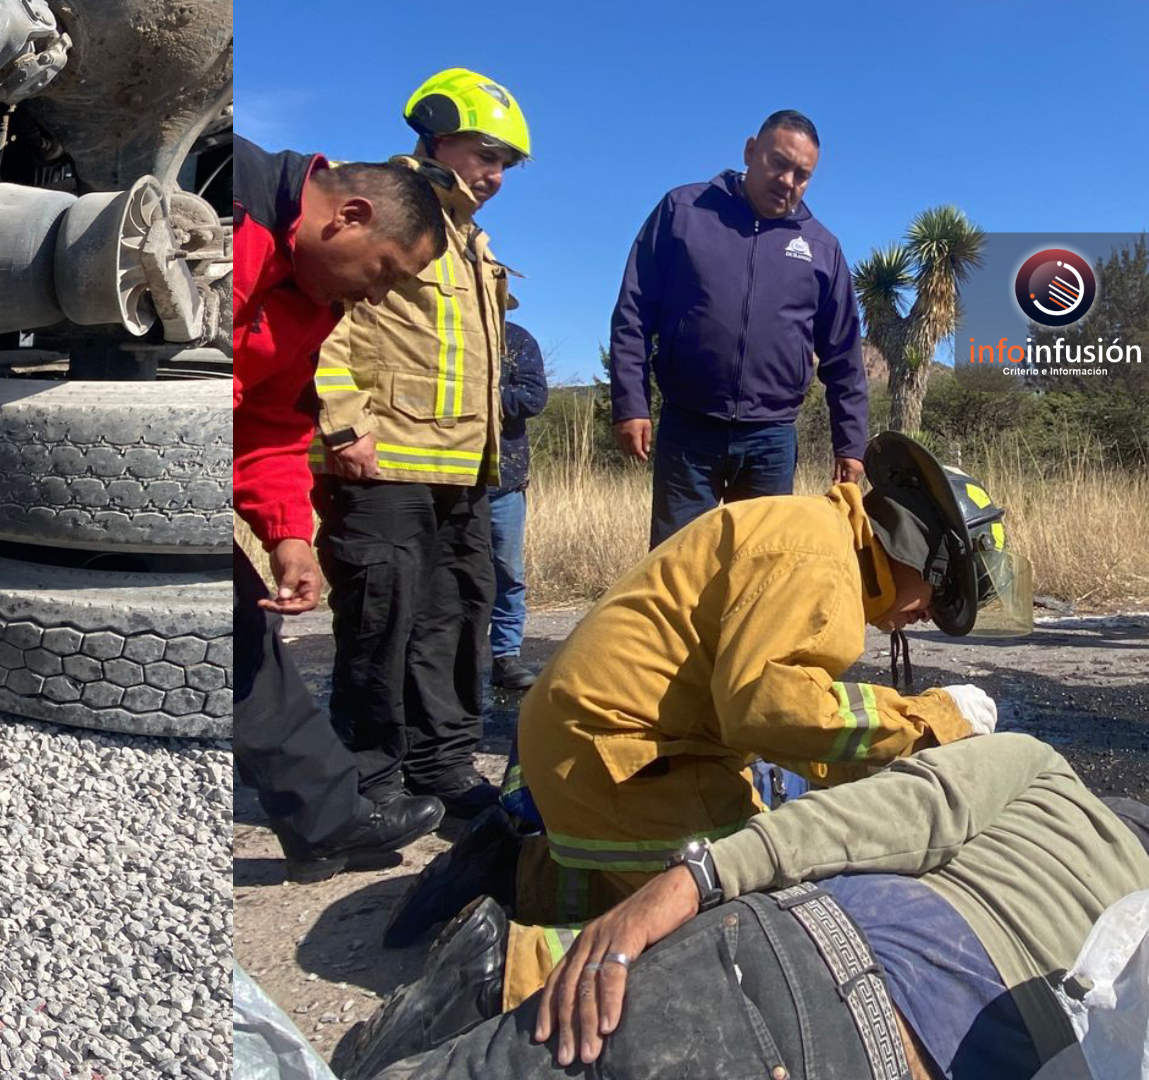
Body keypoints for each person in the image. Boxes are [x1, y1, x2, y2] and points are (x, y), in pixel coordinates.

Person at [382, 431, 1034, 953]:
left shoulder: (816, 536)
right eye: (945, 595)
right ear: (927, 555)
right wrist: (928, 720)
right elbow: (767, 708)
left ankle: (519, 876)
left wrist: (879, 758)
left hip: (591, 752)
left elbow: (789, 720)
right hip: (619, 760)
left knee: (729, 857)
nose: (934, 614)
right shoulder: (819, 560)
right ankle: (497, 978)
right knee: (751, 916)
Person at [338, 732, 1149, 1079]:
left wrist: (693, 879)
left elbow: (897, 811)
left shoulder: (1044, 772)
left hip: (793, 950)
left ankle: (495, 973)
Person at [310, 67, 532, 821]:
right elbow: (325, 317)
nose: (495, 175)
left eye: (506, 164)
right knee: (379, 626)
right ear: (438, 135)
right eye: (485, 155)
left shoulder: (474, 243)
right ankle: (370, 783)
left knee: (457, 619)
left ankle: (442, 764)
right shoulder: (382, 207)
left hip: (464, 472)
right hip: (382, 463)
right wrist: (342, 424)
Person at [232, 135, 450, 882]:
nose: (379, 294)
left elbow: (270, 422)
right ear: (348, 217)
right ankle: (326, 815)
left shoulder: (310, 299)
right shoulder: (229, 214)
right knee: (233, 629)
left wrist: (289, 535)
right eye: (387, 270)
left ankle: (326, 817)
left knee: (242, 633)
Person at [608, 110, 869, 548]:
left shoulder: (822, 248)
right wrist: (630, 403)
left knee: (758, 574)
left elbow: (844, 355)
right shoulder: (684, 211)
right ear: (751, 151)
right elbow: (633, 310)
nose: (788, 181)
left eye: (802, 175)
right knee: (677, 568)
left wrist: (851, 445)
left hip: (771, 437)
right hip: (689, 426)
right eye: (778, 163)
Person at [489, 321, 548, 691]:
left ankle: (504, 656)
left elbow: (534, 397)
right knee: (451, 575)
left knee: (509, 573)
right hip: (451, 480)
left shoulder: (516, 339)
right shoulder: (445, 331)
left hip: (505, 478)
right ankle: (448, 662)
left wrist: (484, 396)